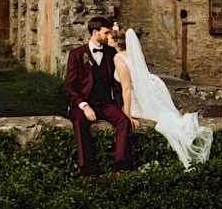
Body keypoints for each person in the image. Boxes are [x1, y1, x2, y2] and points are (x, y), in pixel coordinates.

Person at [115, 27, 212, 169]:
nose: (107, 39)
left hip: (135, 102)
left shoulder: (119, 58)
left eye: (110, 36)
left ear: (116, 42)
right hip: (141, 98)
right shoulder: (134, 56)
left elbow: (127, 88)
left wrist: (127, 115)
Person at [64, 16, 134, 176]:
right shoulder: (77, 54)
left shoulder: (111, 53)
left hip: (105, 103)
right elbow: (69, 86)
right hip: (83, 103)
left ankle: (120, 166)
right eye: (106, 33)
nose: (109, 36)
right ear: (95, 33)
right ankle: (88, 170)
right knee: (79, 122)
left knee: (123, 121)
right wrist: (84, 105)